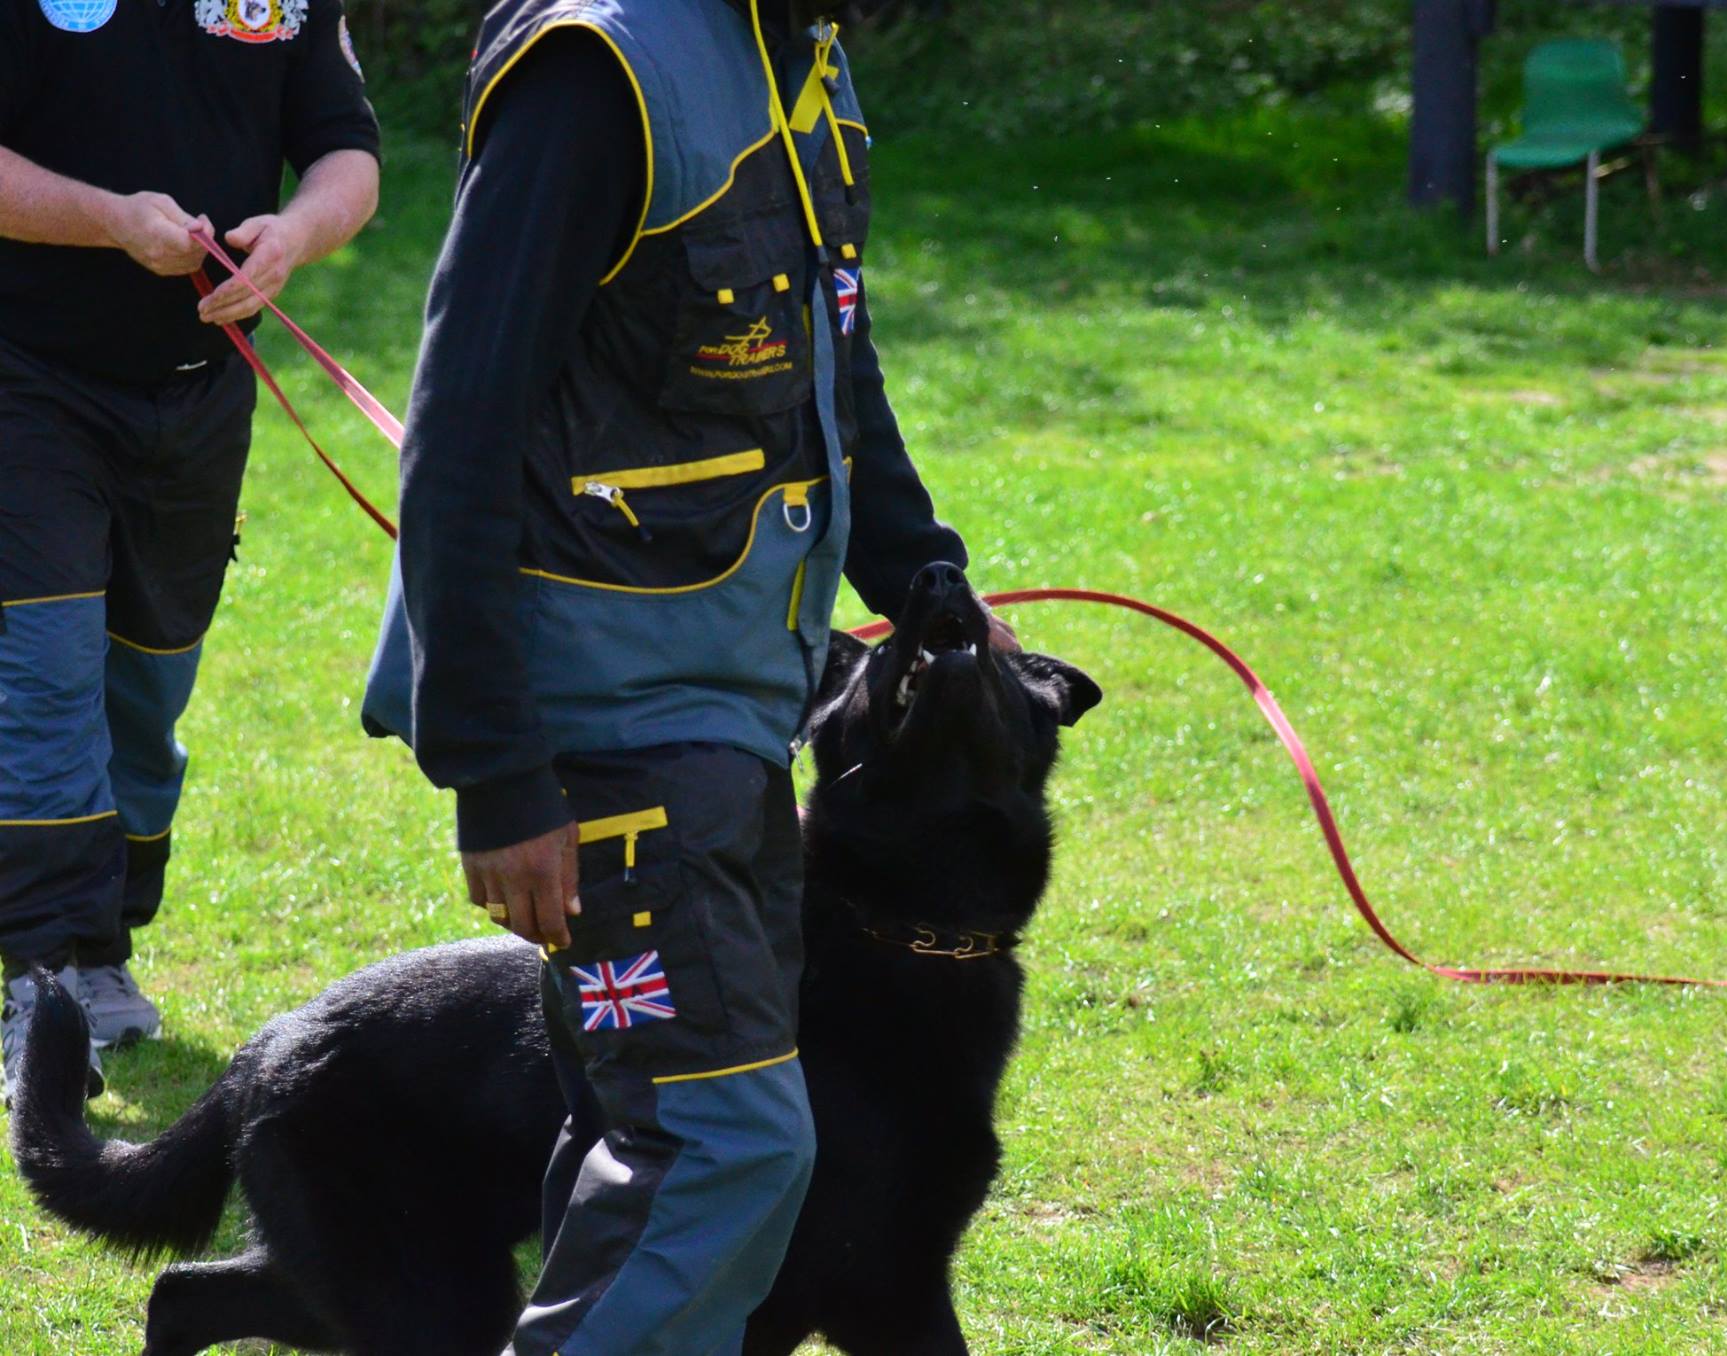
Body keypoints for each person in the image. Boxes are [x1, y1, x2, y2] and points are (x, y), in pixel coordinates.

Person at [358, 1, 1013, 1350]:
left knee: (648, 1126)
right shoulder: (601, 73)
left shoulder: (804, 55)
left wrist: (922, 576)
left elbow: (834, 348)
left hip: (729, 706)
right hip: (607, 727)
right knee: (726, 1149)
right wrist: (496, 769)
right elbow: (461, 421)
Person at [0, 0, 380, 1105]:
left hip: (200, 395)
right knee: (43, 667)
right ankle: (43, 975)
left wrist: (297, 235)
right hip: (28, 379)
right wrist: (110, 219)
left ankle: (104, 936)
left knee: (146, 688)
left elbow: (345, 151)